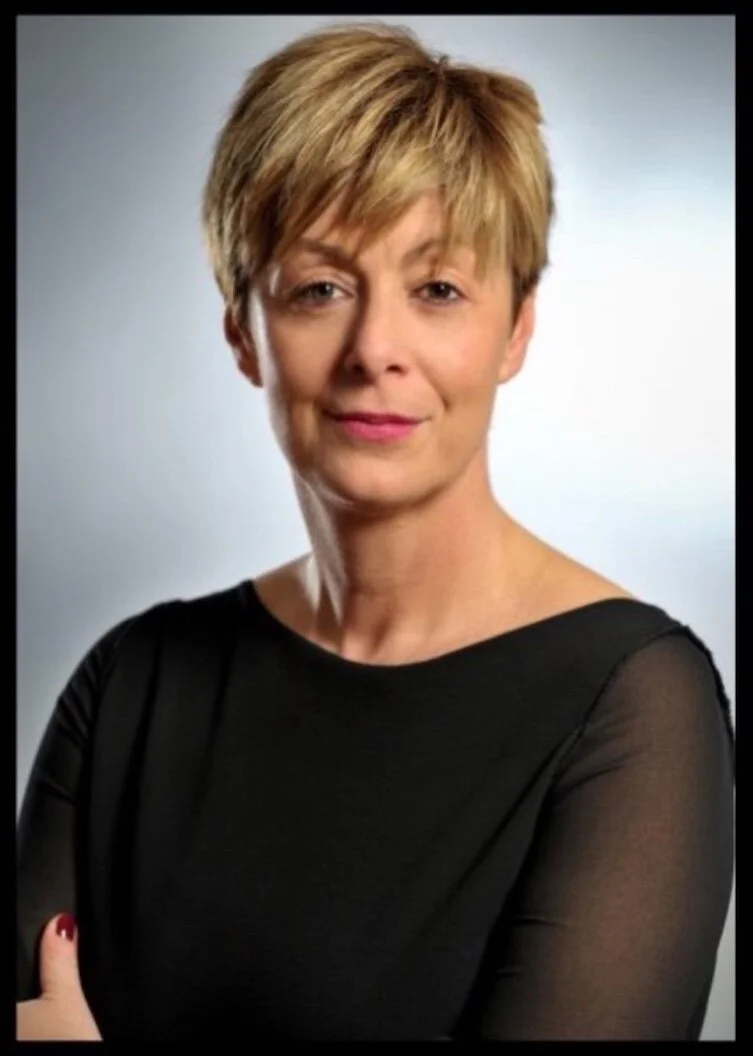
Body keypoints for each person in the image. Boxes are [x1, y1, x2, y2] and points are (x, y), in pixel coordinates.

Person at [16, 20, 735, 1041]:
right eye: (320, 289)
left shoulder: (634, 704)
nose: (375, 349)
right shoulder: (132, 682)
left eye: (437, 289)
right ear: (242, 331)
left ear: (515, 329)